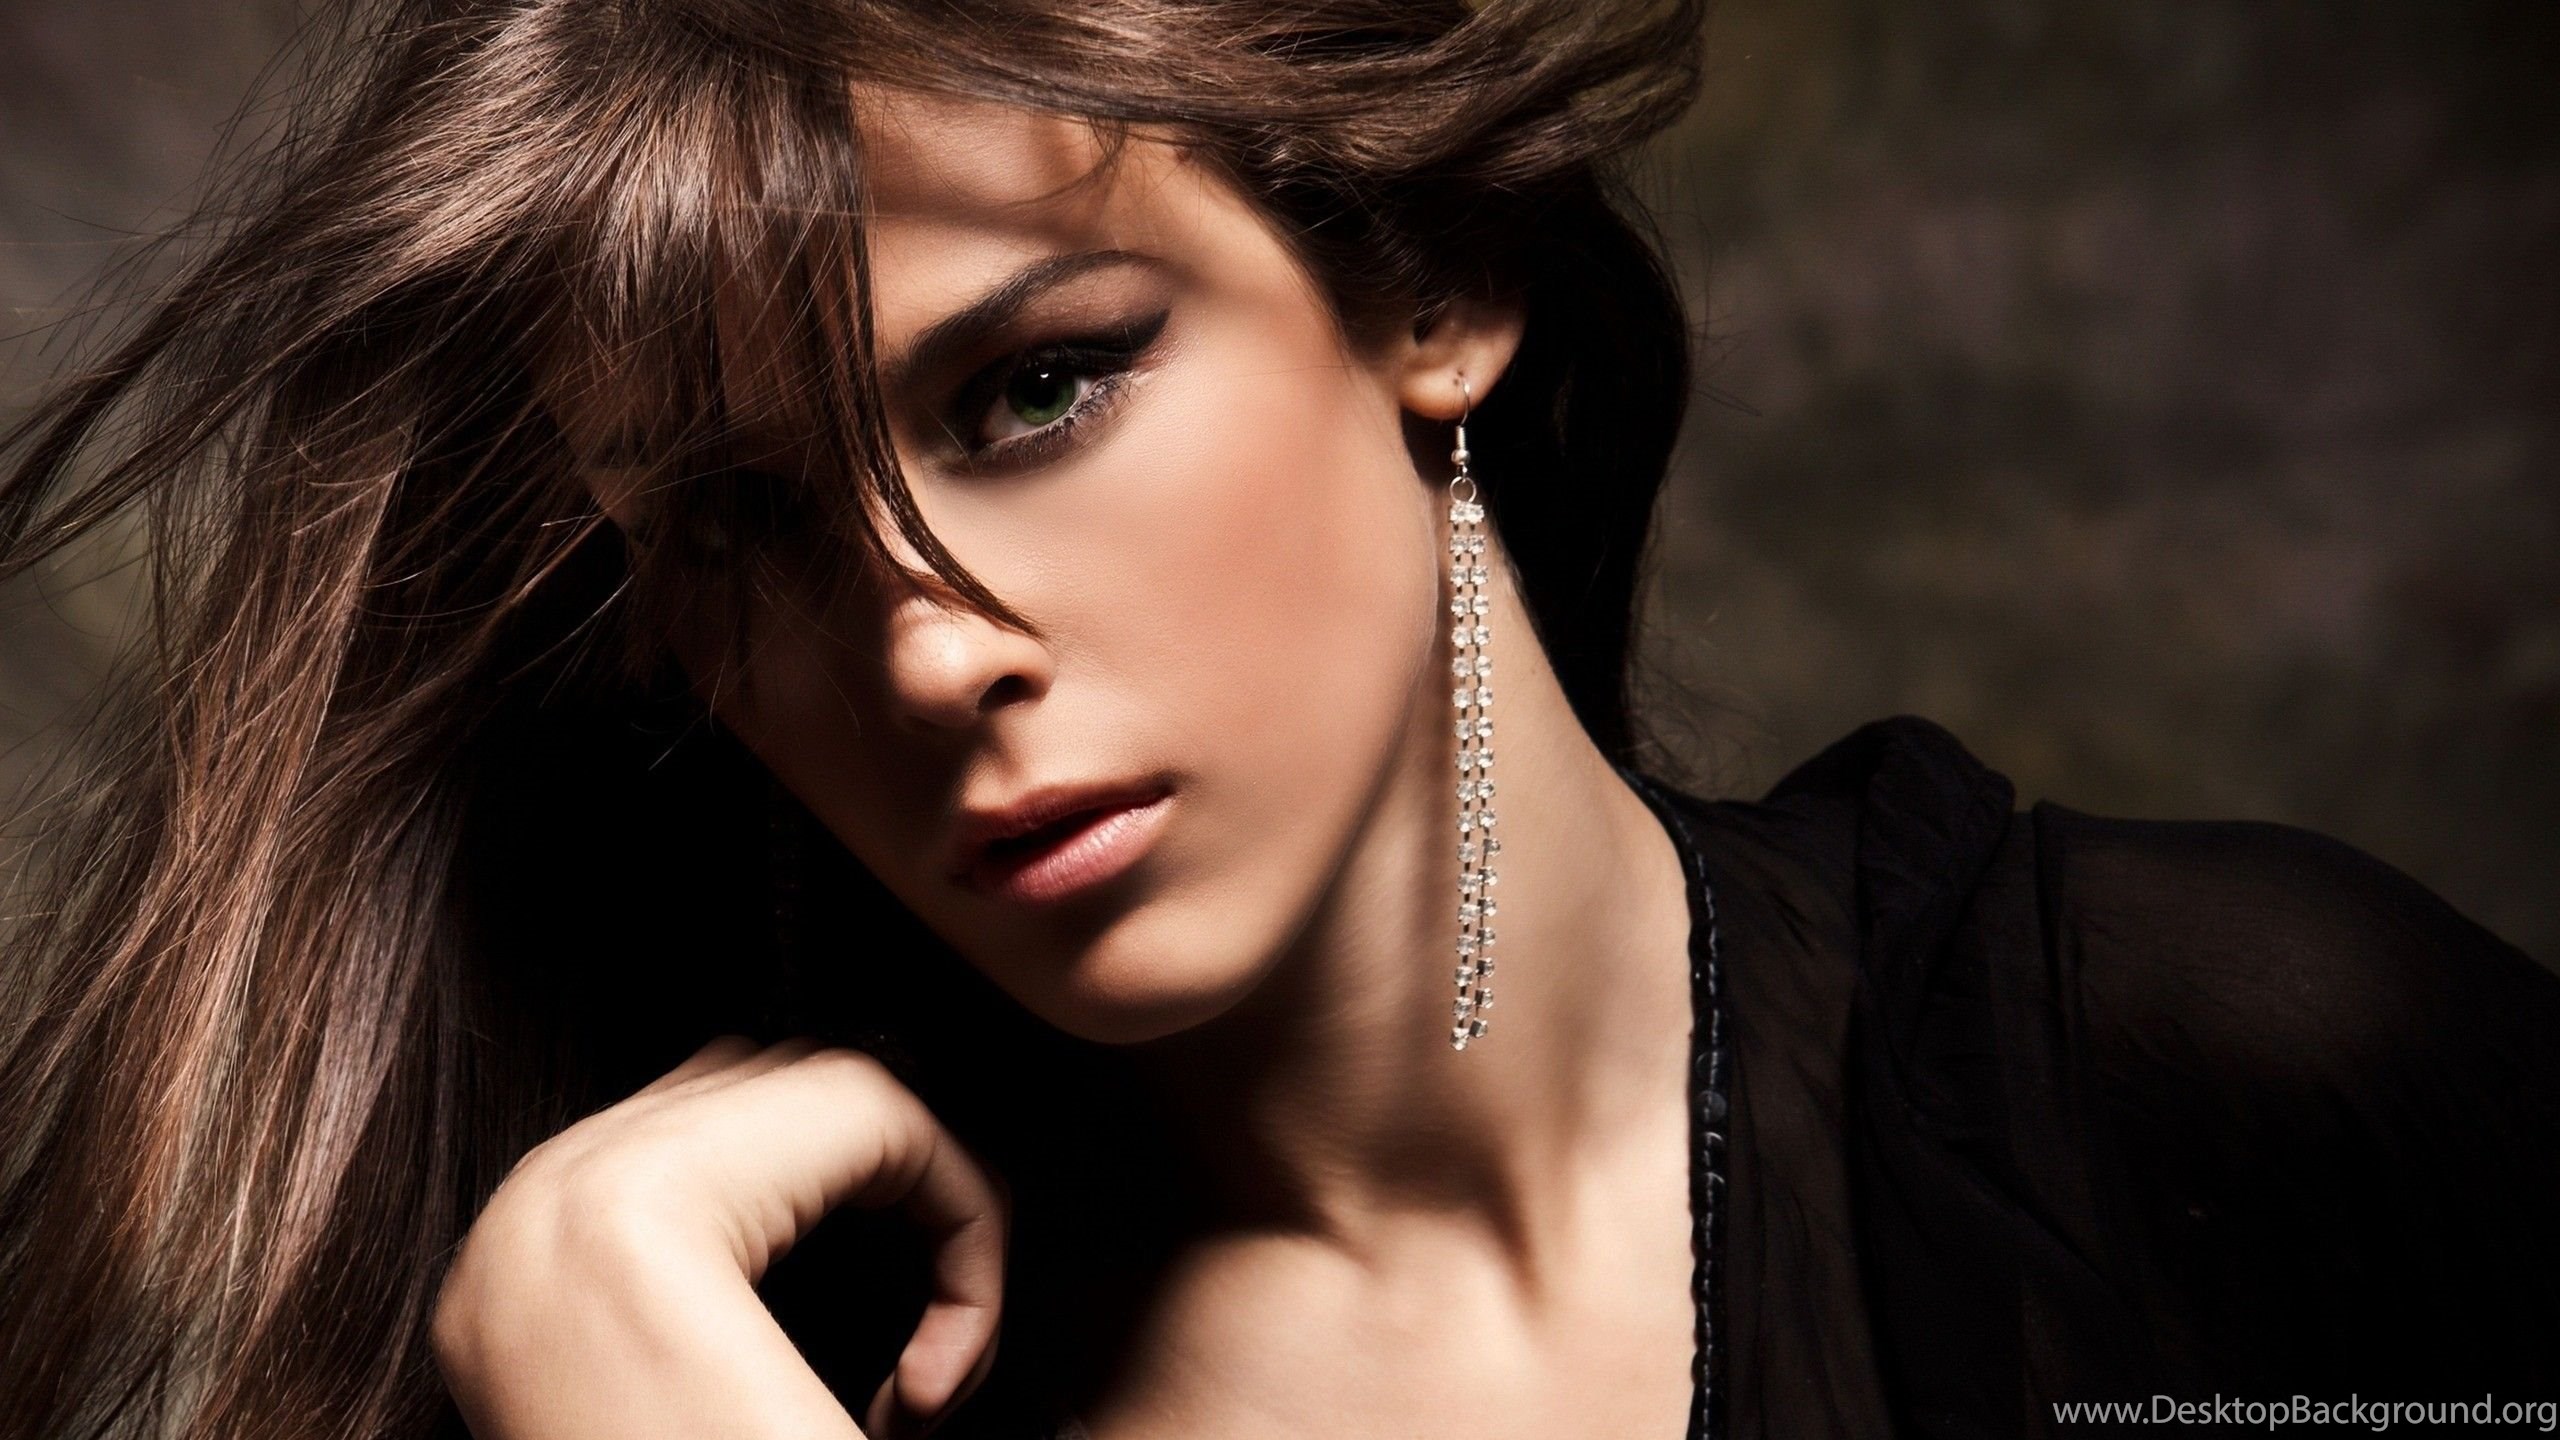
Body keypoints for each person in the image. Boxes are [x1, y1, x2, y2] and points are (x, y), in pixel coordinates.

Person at [0, 3, 2553, 1439]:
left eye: (1036, 390)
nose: (925, 652)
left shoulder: (2215, 1078)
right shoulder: (714, 1373)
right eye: (744, 526)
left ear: (1425, 288)